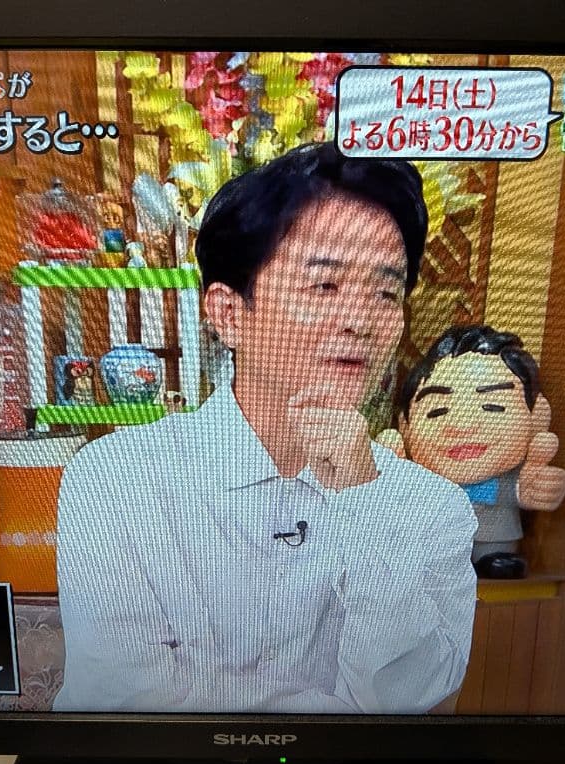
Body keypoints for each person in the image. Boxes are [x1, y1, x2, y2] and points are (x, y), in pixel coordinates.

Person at [53, 142, 477, 714]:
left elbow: (408, 703)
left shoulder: (432, 508)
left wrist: (365, 504)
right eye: (324, 286)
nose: (360, 321)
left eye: (385, 293)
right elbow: (130, 706)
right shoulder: (117, 480)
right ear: (229, 314)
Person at [389, 325, 565, 580]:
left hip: (494, 538)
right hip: (435, 543)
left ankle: (490, 558)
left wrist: (532, 488)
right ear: (405, 426)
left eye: (493, 407)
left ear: (537, 416)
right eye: (437, 411)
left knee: (497, 564)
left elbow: (524, 489)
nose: (463, 426)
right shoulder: (424, 480)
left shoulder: (508, 479)